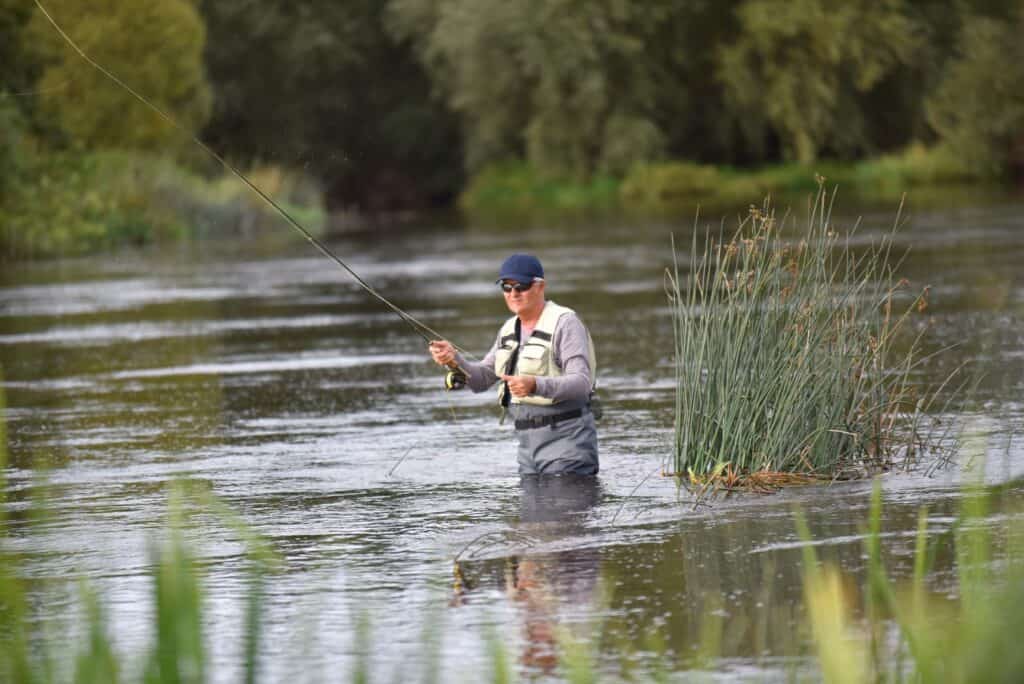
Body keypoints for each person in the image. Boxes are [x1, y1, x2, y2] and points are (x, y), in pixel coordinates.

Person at [429, 253, 600, 475]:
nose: (514, 293)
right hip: (527, 452)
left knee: (563, 509)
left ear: (540, 286)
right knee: (529, 511)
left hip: (568, 446)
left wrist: (535, 384)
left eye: (521, 286)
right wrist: (454, 359)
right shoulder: (509, 329)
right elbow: (481, 380)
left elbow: (582, 382)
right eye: (506, 287)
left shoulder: (566, 323)